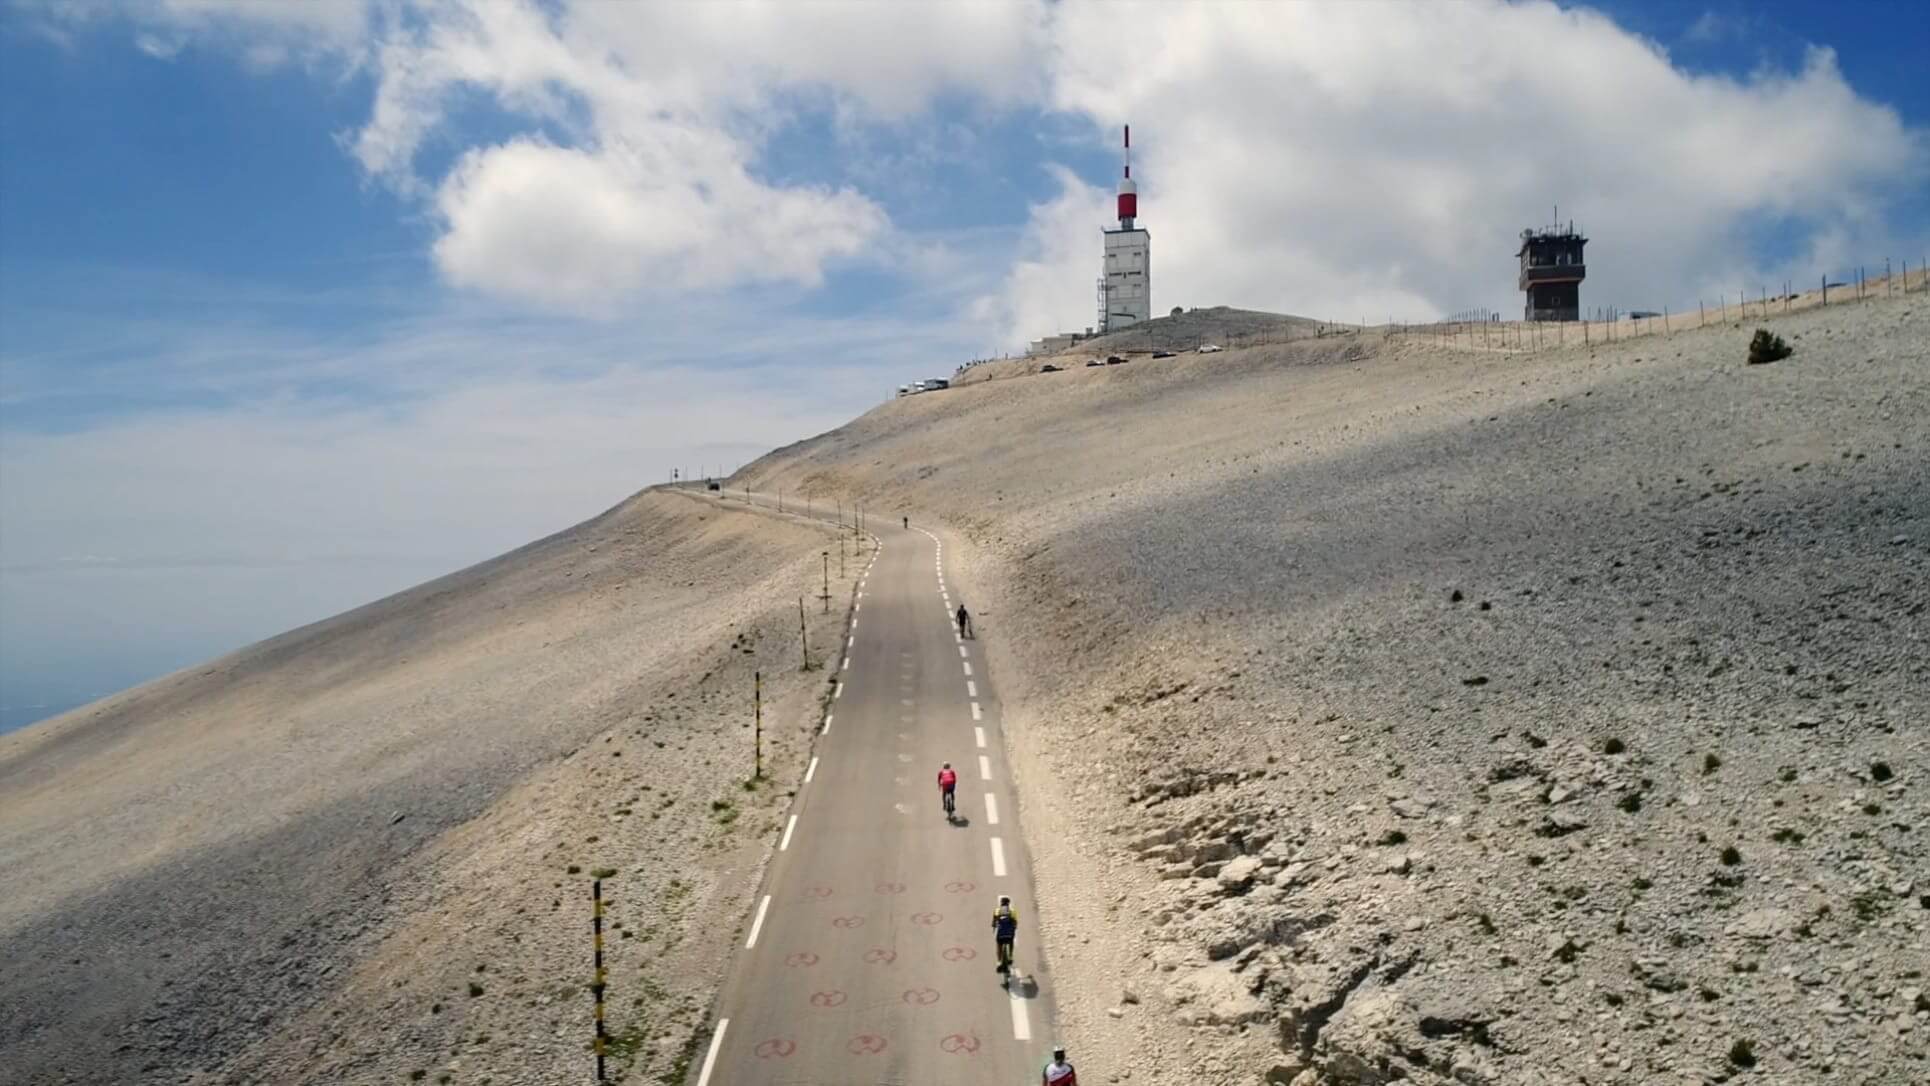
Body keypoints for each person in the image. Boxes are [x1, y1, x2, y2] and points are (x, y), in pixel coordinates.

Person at [991, 895, 1018, 973]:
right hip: (1009, 935)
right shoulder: (1013, 911)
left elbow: (993, 923)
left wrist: (994, 927)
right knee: (1011, 941)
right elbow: (1015, 924)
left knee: (999, 945)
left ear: (1001, 903)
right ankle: (1010, 957)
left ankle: (999, 962)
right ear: (1009, 904)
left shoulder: (997, 910)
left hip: (1000, 935)